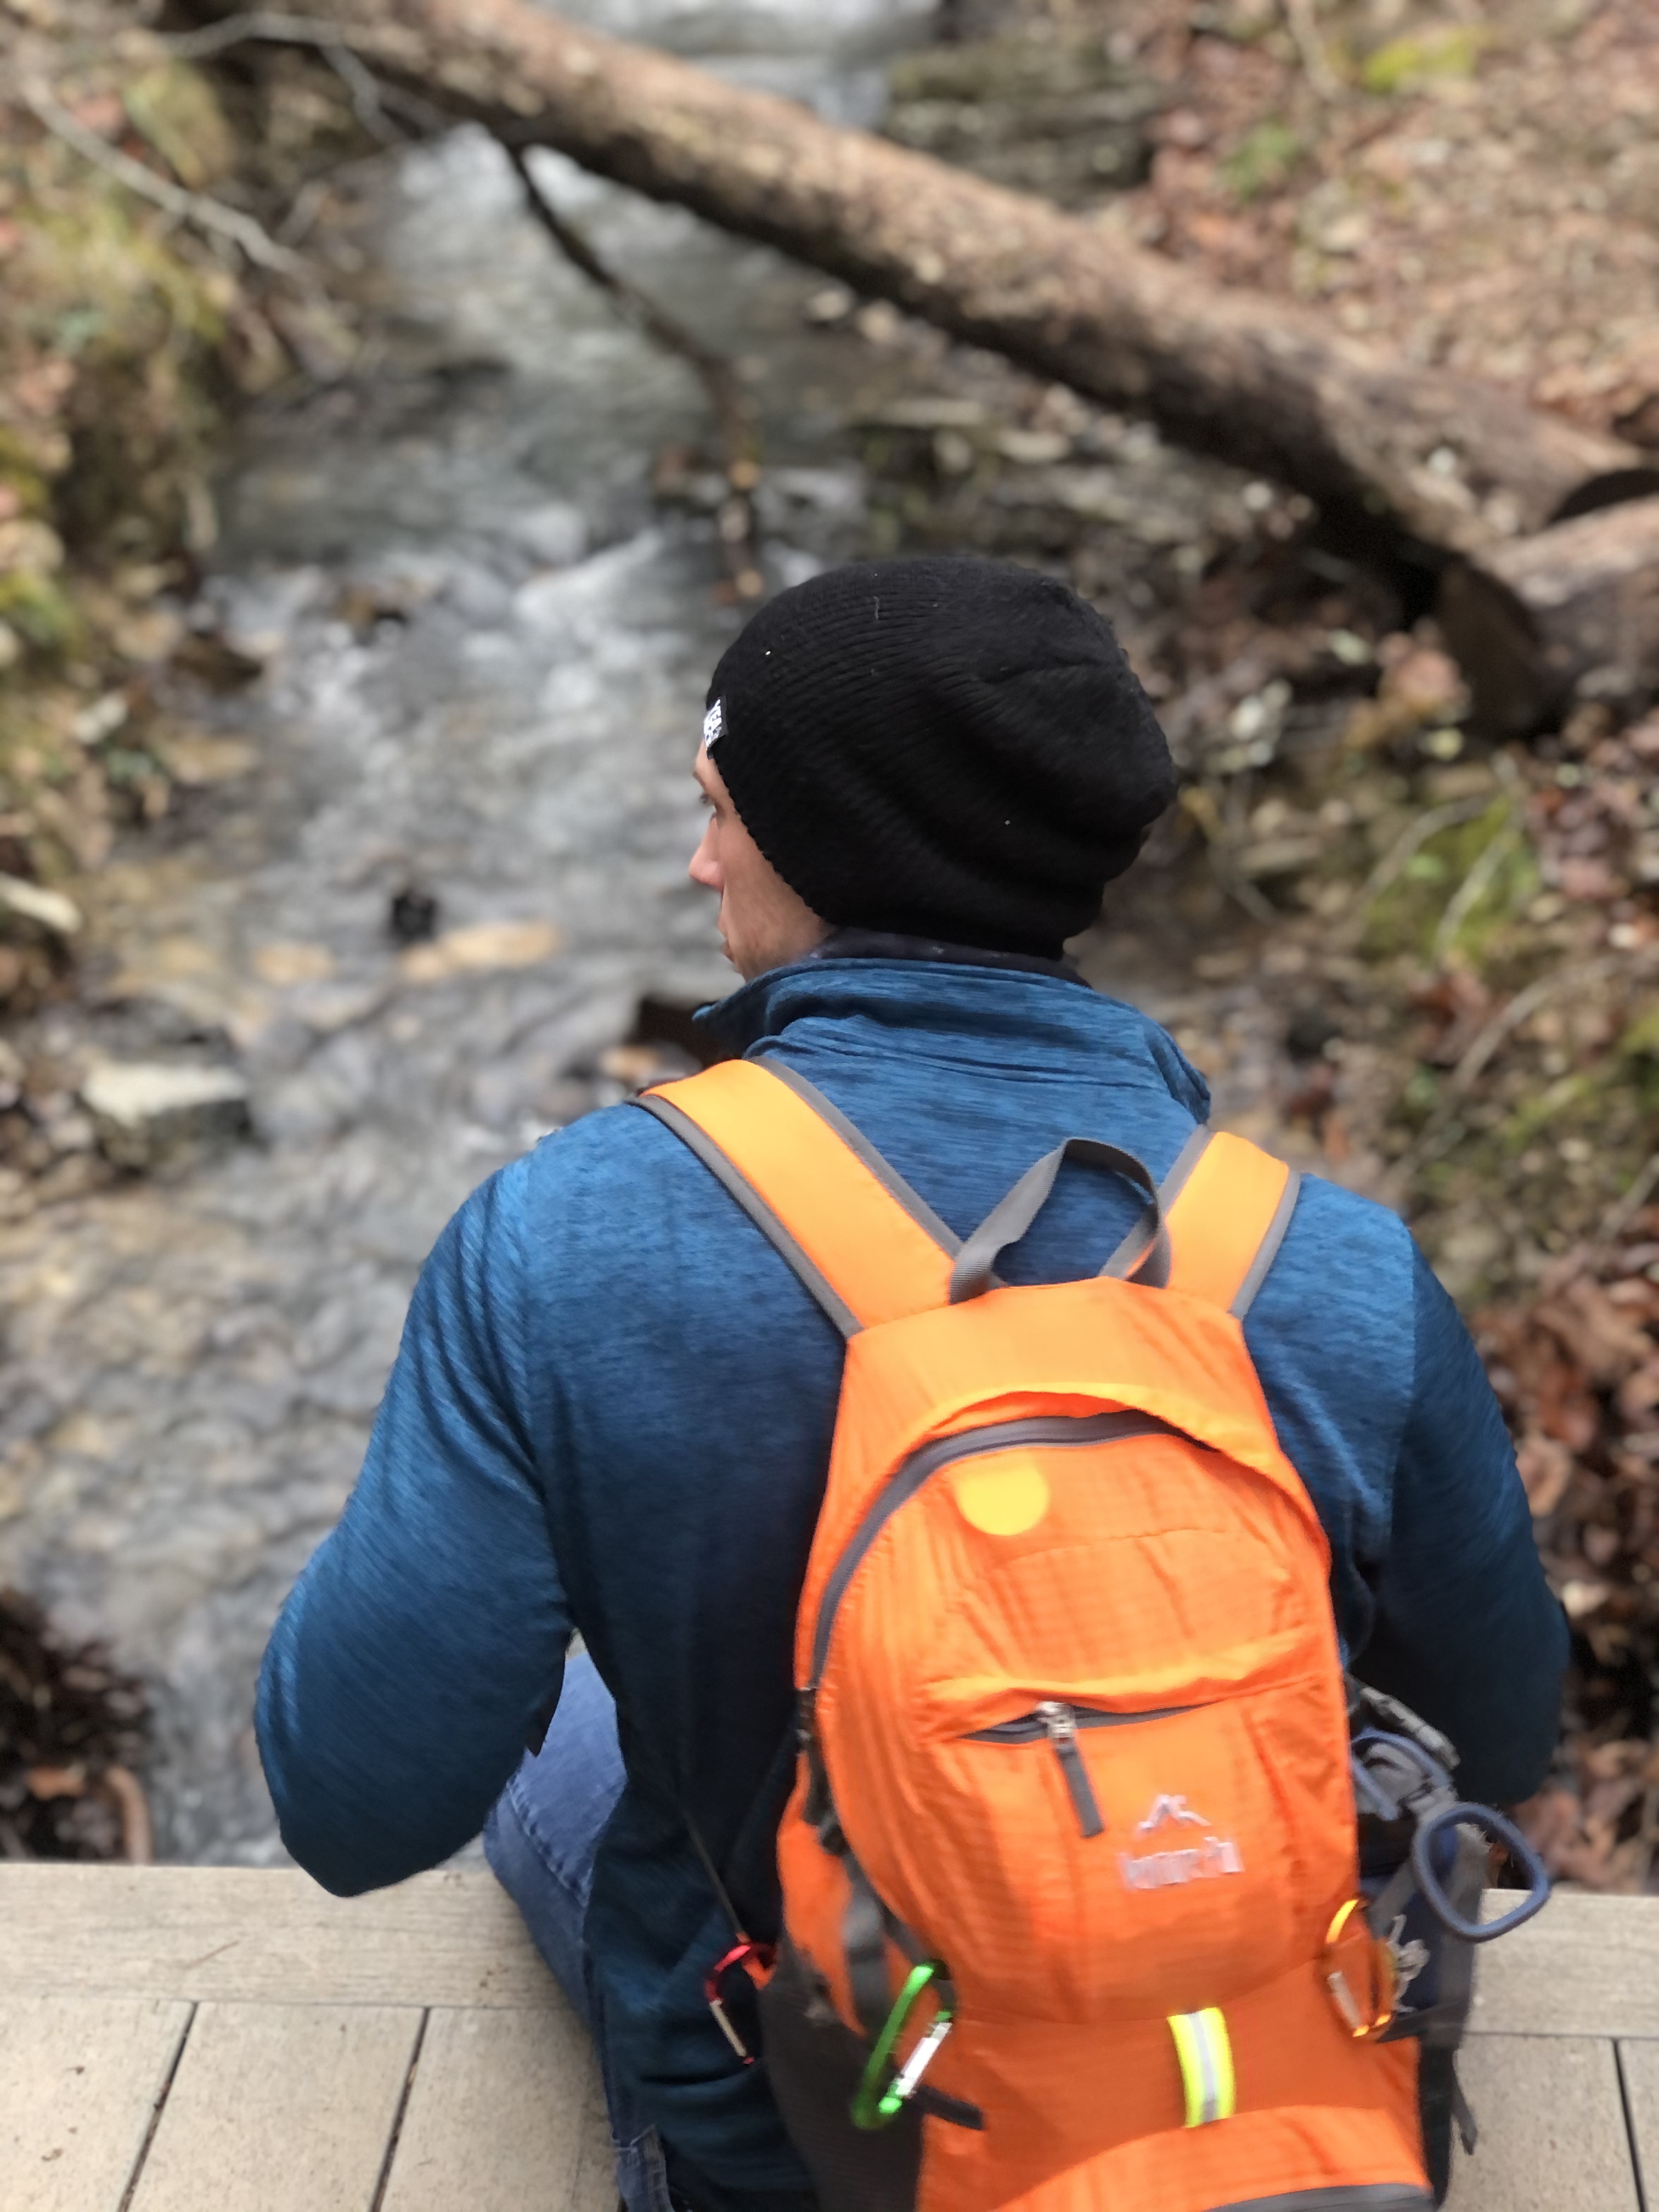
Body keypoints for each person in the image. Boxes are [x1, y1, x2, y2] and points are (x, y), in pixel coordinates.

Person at [257, 556, 1566, 2212]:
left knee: (572, 1725)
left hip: (802, 2153)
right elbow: (1505, 1725)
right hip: (1256, 2121)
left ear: (827, 837)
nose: (696, 858)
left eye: (719, 806)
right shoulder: (1339, 1269)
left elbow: (354, 1801)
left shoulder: (561, 1239)